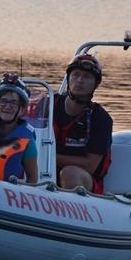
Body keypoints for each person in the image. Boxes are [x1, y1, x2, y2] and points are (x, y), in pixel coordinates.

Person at [53, 54, 112, 193]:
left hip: (84, 181)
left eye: (87, 77)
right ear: (68, 78)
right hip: (44, 172)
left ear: (95, 84)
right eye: (76, 75)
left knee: (70, 173)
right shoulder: (48, 105)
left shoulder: (100, 118)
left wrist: (48, 156)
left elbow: (90, 165)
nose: (79, 80)